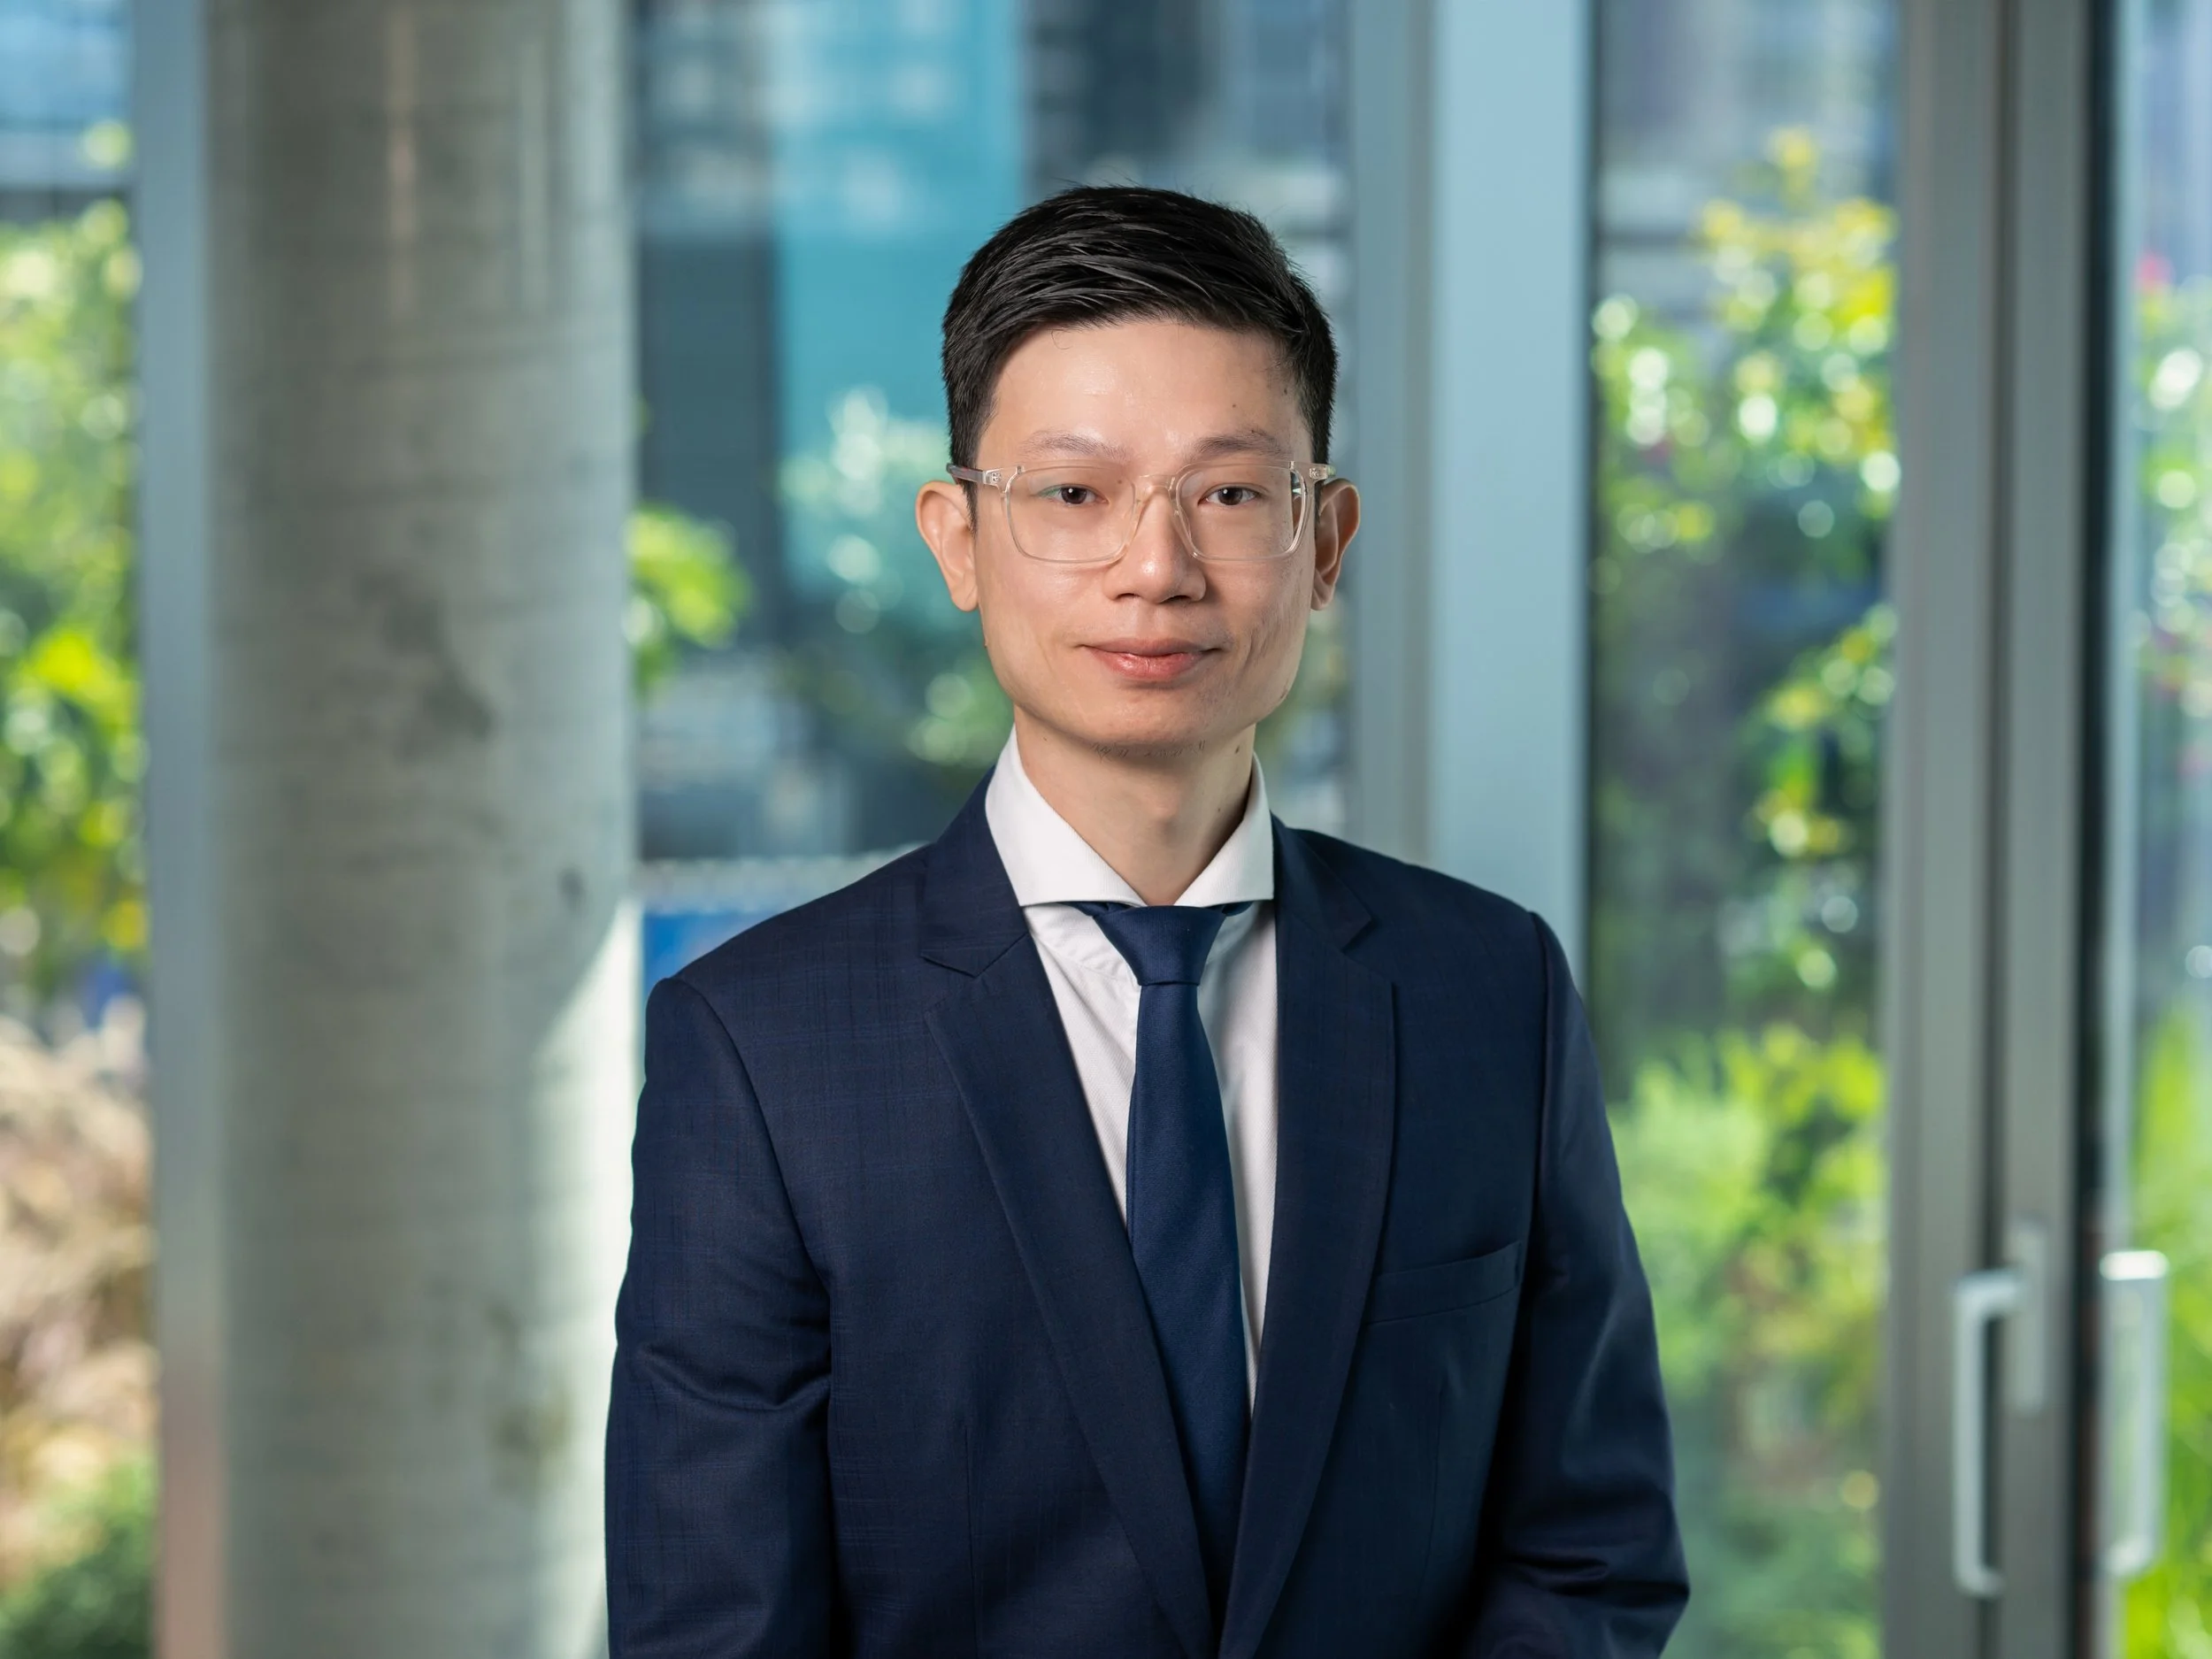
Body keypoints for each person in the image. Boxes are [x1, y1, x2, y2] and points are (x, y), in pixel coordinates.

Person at [605, 186, 1687, 1658]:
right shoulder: (760, 1046)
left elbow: (1593, 1549)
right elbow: (716, 1626)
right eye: (1073, 494)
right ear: (959, 538)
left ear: (1326, 539)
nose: (1157, 566)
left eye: (1232, 493)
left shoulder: (1487, 991)